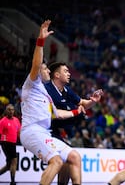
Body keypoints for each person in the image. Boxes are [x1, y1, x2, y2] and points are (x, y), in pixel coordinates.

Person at [20, 20, 83, 185]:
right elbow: (36, 63)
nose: (48, 70)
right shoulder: (31, 83)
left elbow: (58, 114)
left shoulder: (46, 94)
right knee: (56, 161)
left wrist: (78, 111)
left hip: (45, 132)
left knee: (74, 157)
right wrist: (41, 41)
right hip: (31, 131)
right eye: (45, 68)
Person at [45, 61, 103, 185]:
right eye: (65, 71)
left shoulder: (66, 90)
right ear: (56, 75)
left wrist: (93, 101)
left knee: (68, 159)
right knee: (62, 160)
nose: (69, 74)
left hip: (57, 131)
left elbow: (83, 103)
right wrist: (76, 111)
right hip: (44, 131)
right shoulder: (47, 90)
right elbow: (54, 113)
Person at [0, 104, 21, 185]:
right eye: (9, 109)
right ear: (6, 111)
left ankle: (12, 180)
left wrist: (23, 143)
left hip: (13, 143)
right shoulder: (2, 121)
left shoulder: (16, 120)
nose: (11, 111)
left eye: (12, 110)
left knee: (9, 165)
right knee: (14, 161)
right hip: (5, 142)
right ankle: (12, 181)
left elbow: (19, 133)